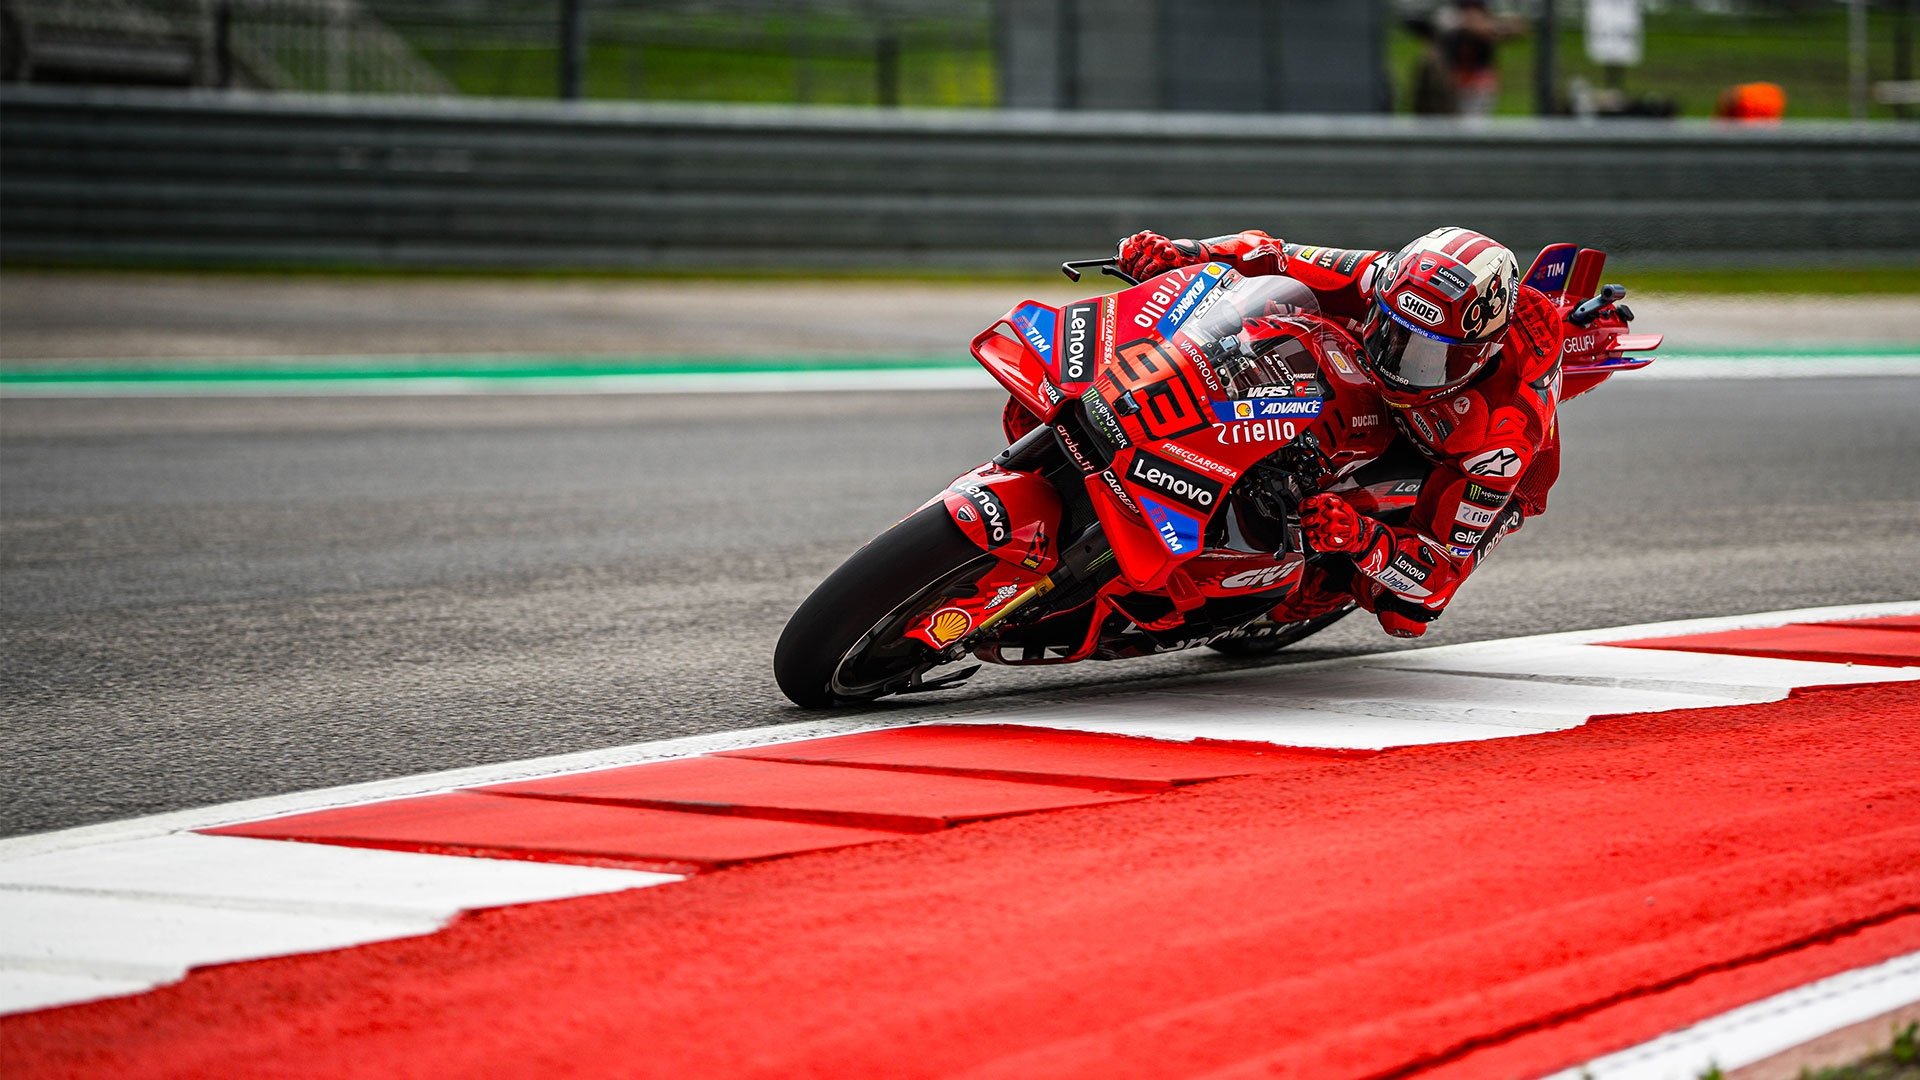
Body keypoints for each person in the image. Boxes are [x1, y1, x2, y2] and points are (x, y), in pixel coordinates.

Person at [1116, 226, 1565, 639]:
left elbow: (1437, 574)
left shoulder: (1501, 437)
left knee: (1404, 612)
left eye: (1430, 357)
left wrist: (1362, 539)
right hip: (1360, 384)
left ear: (1480, 355)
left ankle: (1322, 587)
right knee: (1268, 313)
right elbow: (1272, 255)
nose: (1398, 366)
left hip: (1455, 453)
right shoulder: (1381, 277)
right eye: (1391, 333)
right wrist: (1184, 252)